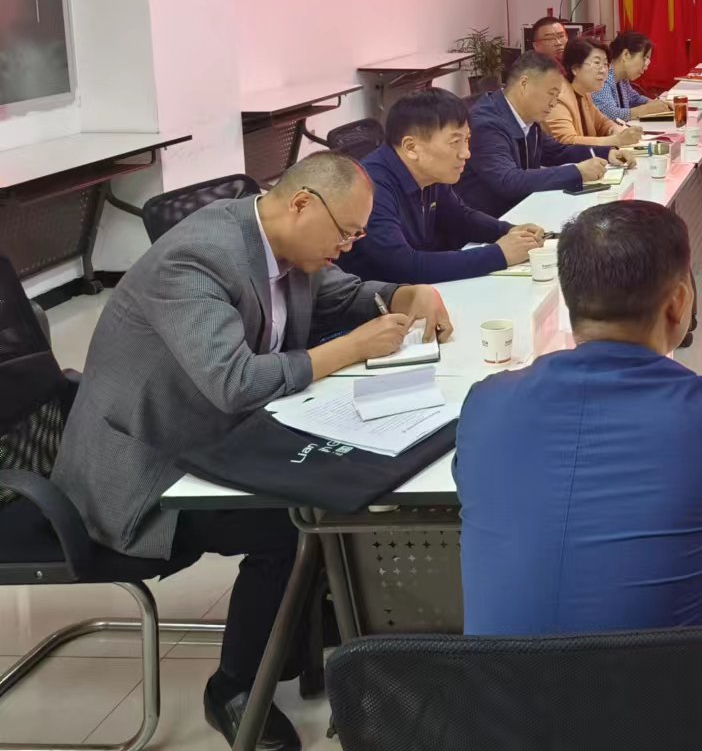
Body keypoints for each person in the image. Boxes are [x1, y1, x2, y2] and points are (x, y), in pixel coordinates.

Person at [51, 153, 452, 750]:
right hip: (146, 472)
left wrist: (403, 293)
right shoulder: (196, 259)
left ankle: (311, 629)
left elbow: (342, 296)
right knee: (288, 525)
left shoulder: (285, 243)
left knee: (347, 483)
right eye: (345, 234)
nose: (347, 248)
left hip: (219, 437)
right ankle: (236, 688)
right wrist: (350, 350)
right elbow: (234, 382)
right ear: (302, 204)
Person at [456, 201, 702, 641]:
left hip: (500, 685)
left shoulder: (487, 403)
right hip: (678, 686)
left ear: (568, 299)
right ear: (678, 301)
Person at [339, 88, 549, 284]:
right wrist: (499, 254)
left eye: (467, 140)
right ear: (411, 147)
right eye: (455, 142)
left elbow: (460, 217)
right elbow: (403, 266)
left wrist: (510, 231)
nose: (466, 153)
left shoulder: (429, 172)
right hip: (376, 301)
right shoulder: (371, 186)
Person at [458, 52, 610, 217]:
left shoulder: (527, 116)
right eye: (551, 93)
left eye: (557, 96)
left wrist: (608, 153)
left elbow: (555, 152)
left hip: (523, 210)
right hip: (491, 221)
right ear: (524, 84)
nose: (553, 103)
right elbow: (508, 180)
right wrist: (576, 172)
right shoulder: (486, 123)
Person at [545, 37, 646, 150]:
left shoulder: (585, 93)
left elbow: (602, 123)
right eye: (597, 63)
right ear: (575, 68)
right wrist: (616, 140)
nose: (603, 70)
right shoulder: (559, 98)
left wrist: (614, 130)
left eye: (605, 64)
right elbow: (567, 142)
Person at [593, 30, 670, 122]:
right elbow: (610, 114)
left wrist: (656, 104)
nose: (646, 66)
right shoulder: (602, 77)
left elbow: (634, 99)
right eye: (644, 59)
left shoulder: (622, 77)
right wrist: (645, 109)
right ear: (626, 55)